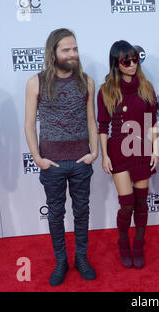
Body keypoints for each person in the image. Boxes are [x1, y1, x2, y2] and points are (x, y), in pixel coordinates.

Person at [24, 28, 98, 286]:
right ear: (53, 52)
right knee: (55, 214)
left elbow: (91, 119)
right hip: (51, 163)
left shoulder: (87, 81)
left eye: (75, 49)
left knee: (82, 212)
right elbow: (29, 124)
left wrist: (95, 152)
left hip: (80, 161)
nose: (72, 54)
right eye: (66, 49)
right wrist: (37, 157)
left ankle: (81, 258)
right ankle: (61, 261)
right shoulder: (36, 82)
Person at [97, 40, 158, 269]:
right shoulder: (106, 91)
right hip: (118, 151)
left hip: (142, 148)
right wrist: (105, 156)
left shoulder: (147, 87)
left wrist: (155, 150)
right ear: (116, 63)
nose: (132, 64)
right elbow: (103, 126)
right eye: (126, 61)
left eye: (135, 59)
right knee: (127, 205)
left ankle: (139, 243)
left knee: (142, 202)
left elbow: (152, 122)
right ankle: (123, 242)